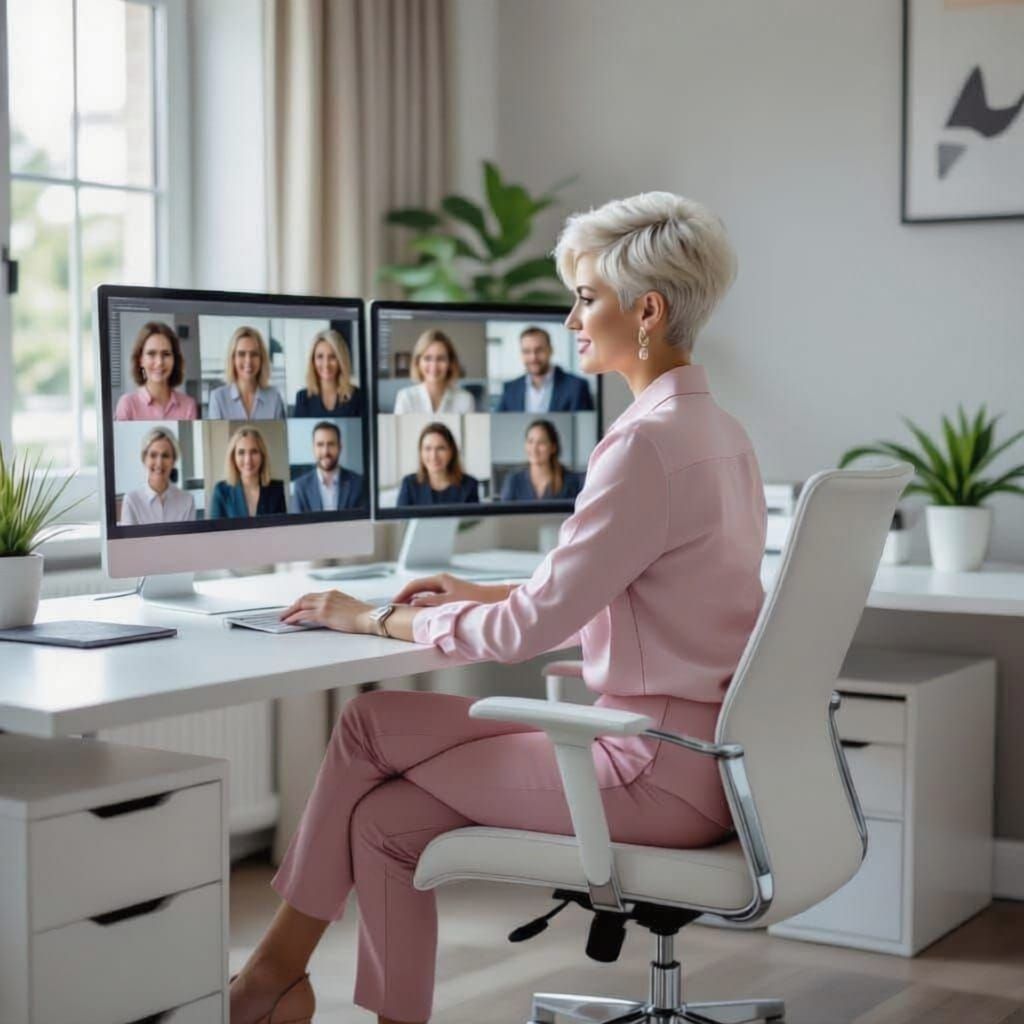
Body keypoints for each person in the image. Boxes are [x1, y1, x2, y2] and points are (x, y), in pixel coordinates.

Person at [229, 192, 764, 1024]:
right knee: (386, 822)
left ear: (647, 309)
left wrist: (371, 618)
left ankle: (267, 976)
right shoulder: (719, 431)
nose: (571, 317)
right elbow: (646, 592)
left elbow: (526, 635)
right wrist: (487, 591)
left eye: (586, 297)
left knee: (368, 727)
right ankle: (366, 1009)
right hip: (707, 762)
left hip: (645, 768)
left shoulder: (643, 446)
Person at [496, 325, 594, 412]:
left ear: (550, 350)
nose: (533, 357)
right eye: (526, 351)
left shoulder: (576, 387)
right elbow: (498, 425)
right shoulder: (510, 389)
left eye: (539, 350)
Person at [114, 321, 198, 421]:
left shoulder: (188, 405)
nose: (159, 362)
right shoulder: (127, 404)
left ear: (174, 359)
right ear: (140, 360)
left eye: (166, 354)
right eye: (151, 354)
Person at [119, 428, 196, 525]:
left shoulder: (187, 500)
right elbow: (128, 540)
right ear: (144, 459)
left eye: (165, 456)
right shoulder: (131, 501)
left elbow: (189, 540)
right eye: (153, 455)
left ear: (173, 461)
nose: (159, 463)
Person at [208, 326, 287, 420]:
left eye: (254, 354)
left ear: (262, 359)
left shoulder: (274, 397)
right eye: (241, 354)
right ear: (233, 359)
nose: (248, 361)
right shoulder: (218, 398)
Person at [209, 426, 287, 518]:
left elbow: (281, 530)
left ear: (262, 455)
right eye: (241, 452)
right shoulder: (221, 491)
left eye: (254, 452)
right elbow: (217, 532)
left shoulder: (277, 489)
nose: (248, 460)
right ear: (233, 457)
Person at [392, 329, 476, 414]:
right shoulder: (405, 397)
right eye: (427, 358)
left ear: (450, 363)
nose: (434, 365)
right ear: (418, 362)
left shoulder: (465, 399)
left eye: (441, 359)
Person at [396, 422, 479, 506]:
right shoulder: (409, 484)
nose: (434, 456)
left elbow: (473, 519)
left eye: (440, 448)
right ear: (421, 452)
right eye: (428, 448)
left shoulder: (469, 485)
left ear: (452, 451)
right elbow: (401, 519)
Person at [499, 418, 583, 502]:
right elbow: (503, 514)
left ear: (553, 447)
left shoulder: (571, 481)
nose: (534, 449)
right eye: (530, 441)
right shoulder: (513, 480)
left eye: (541, 442)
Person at [291, 421, 366, 512]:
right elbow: (299, 525)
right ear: (313, 448)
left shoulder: (358, 483)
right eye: (320, 444)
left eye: (331, 444)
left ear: (340, 447)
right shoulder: (301, 487)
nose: (325, 451)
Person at [293, 329, 366, 418]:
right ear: (313, 361)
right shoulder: (302, 398)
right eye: (320, 357)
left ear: (341, 360)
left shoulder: (356, 396)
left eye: (332, 357)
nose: (326, 364)